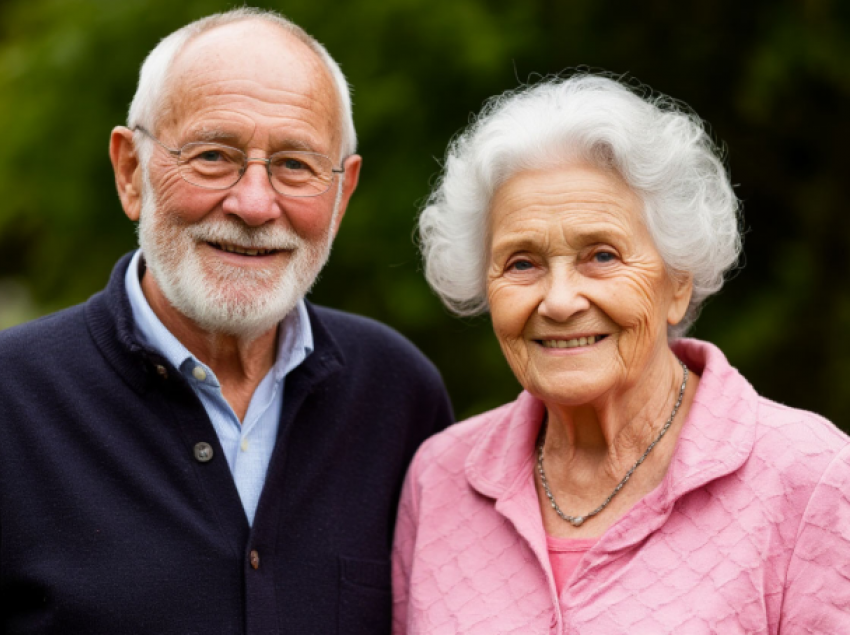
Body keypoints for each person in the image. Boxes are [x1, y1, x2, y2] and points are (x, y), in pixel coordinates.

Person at [0, 8, 452, 635]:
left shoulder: (398, 397)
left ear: (342, 194)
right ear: (131, 171)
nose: (255, 204)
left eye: (295, 165)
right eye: (214, 155)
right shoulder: (13, 400)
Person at [393, 74, 850, 634]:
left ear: (677, 281)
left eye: (602, 256)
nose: (559, 301)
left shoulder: (813, 480)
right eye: (521, 263)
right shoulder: (438, 480)